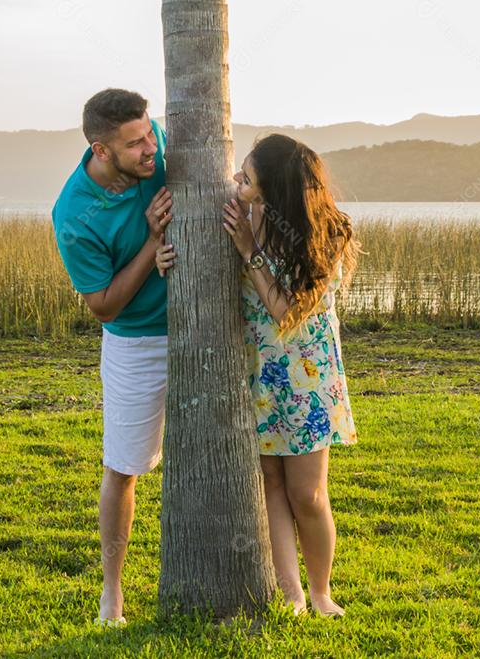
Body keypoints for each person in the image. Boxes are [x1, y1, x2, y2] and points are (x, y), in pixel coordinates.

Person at [156, 133, 359, 617]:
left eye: (247, 177)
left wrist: (249, 249)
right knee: (270, 482)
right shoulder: (243, 210)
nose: (236, 182)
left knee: (306, 494)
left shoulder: (328, 232)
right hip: (260, 371)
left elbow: (284, 310)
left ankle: (321, 592)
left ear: (275, 186)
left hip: (308, 376)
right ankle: (289, 595)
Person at [51, 88, 172, 628]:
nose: (152, 148)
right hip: (136, 343)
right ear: (101, 151)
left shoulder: (159, 147)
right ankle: (113, 592)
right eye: (136, 143)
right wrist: (152, 243)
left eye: (150, 133)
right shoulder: (74, 213)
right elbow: (103, 306)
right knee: (123, 468)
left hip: (209, 330)